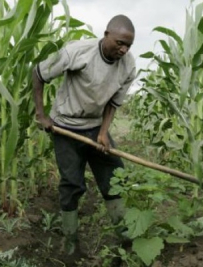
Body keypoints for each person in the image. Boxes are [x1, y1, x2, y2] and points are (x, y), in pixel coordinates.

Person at [32, 14, 136, 259]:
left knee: (114, 176)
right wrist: (41, 115)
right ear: (106, 34)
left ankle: (126, 239)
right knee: (71, 184)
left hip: (96, 126)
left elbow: (113, 102)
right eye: (120, 42)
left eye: (128, 45)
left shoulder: (128, 65)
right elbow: (38, 74)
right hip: (66, 128)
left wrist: (103, 133)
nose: (123, 49)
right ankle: (70, 244)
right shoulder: (77, 52)